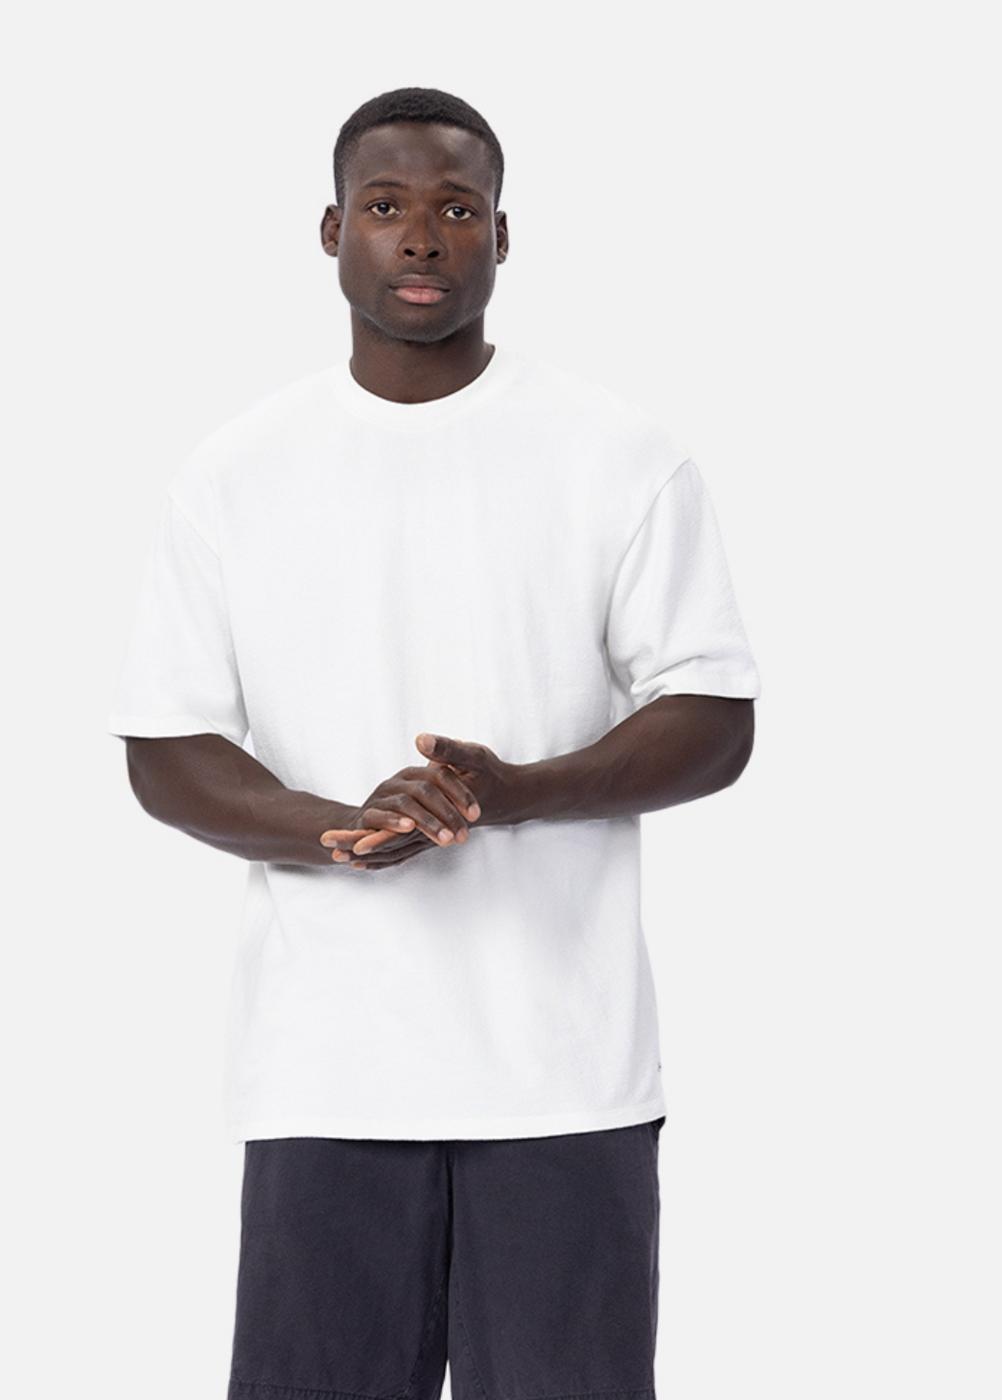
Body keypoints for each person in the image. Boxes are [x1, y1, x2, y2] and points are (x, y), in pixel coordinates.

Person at [110, 87, 759, 1400]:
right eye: (387, 206)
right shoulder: (236, 473)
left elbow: (714, 717)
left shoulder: (618, 455)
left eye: (457, 209)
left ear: (503, 236)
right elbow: (167, 747)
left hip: (563, 1079)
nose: (420, 236)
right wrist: (333, 829)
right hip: (324, 1076)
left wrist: (518, 793)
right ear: (331, 229)